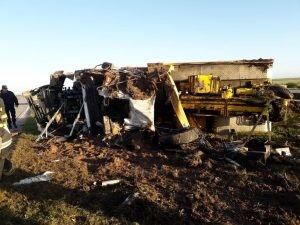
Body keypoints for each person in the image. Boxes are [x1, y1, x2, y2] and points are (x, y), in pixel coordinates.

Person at [0, 97, 14, 181]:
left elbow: (4, 117)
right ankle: (8, 169)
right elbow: (4, 117)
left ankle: (8, 169)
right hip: (4, 134)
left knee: (1, 158)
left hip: (3, 137)